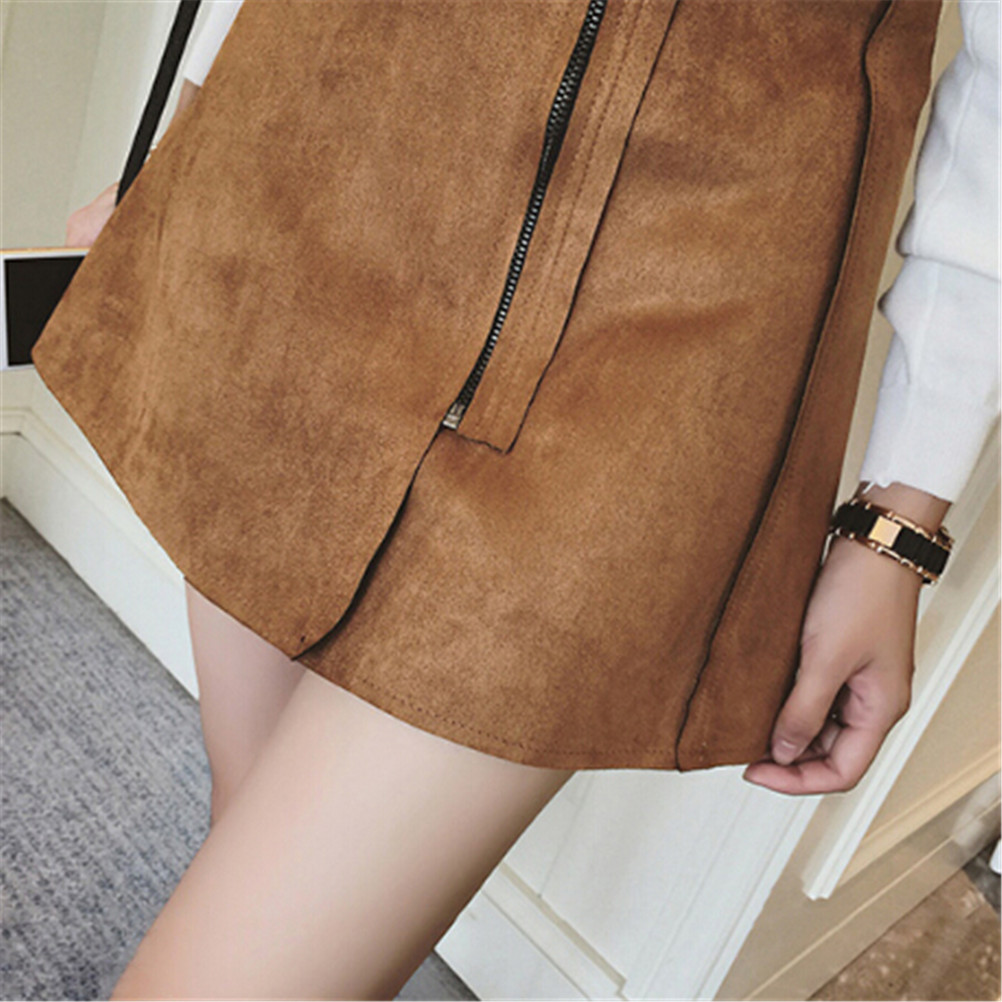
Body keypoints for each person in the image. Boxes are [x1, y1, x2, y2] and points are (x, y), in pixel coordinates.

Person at [49, 1, 999, 998]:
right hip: (310, 158)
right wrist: (187, 124)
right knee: (255, 837)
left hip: (677, 329)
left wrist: (900, 524)